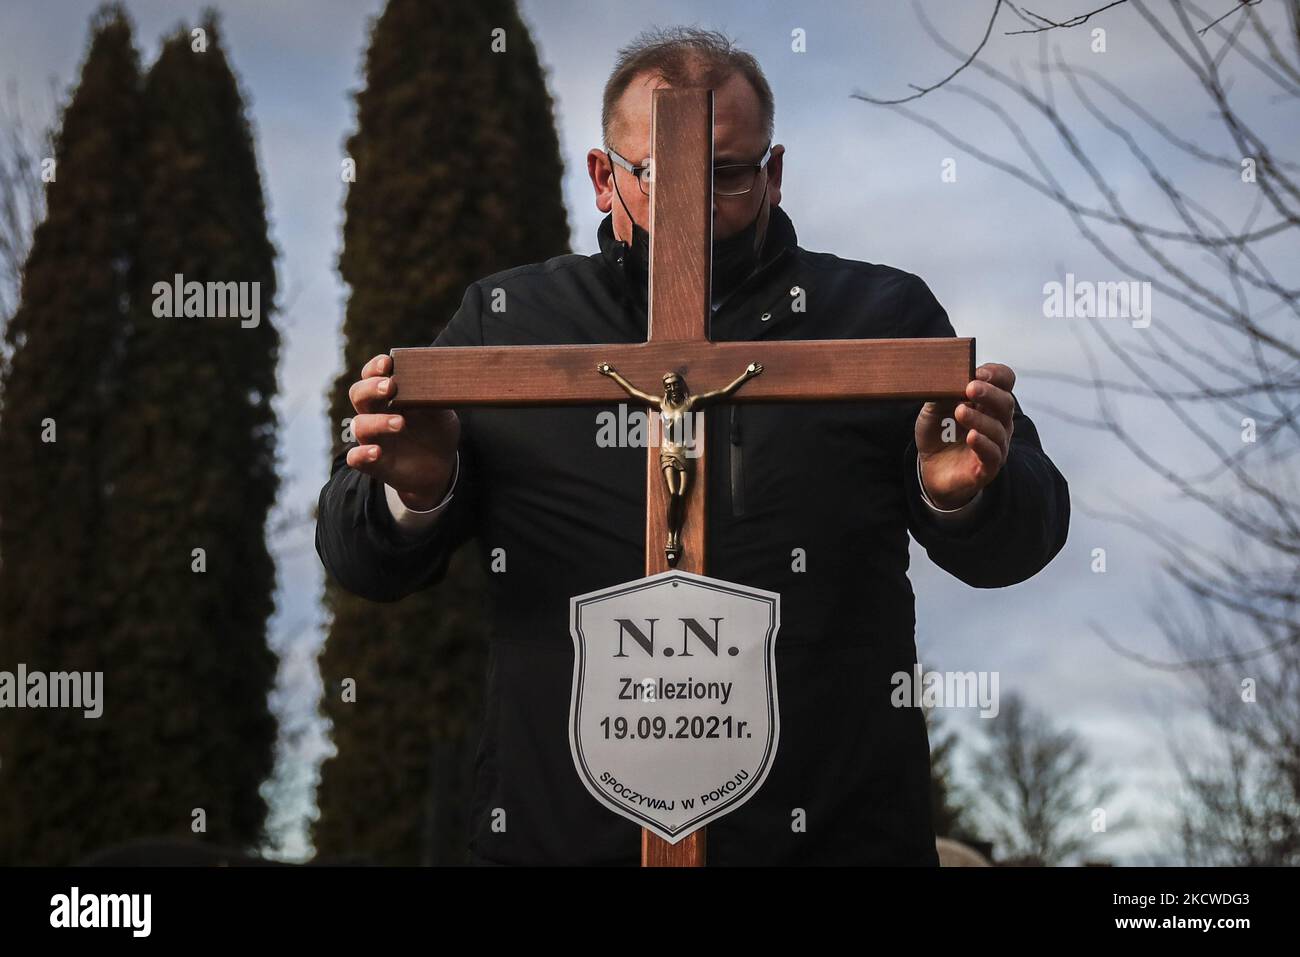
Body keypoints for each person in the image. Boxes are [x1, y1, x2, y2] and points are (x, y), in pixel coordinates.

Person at [315, 27, 1070, 865]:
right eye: (656, 173)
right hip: (562, 840)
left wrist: (961, 493)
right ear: (604, 178)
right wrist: (417, 492)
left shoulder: (878, 324)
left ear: (774, 173)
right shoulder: (509, 331)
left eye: (730, 174)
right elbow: (358, 560)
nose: (695, 202)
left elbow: (1024, 537)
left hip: (829, 838)